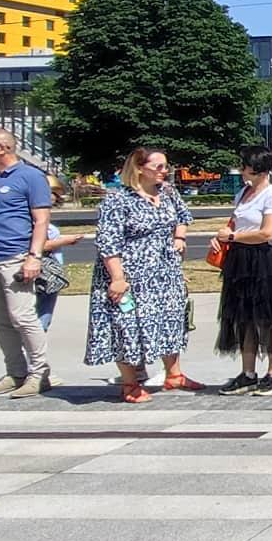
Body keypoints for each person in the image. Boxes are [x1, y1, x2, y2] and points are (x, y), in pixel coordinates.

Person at [85, 146, 202, 403]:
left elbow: (183, 216)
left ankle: (174, 374)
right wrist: (117, 278)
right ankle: (130, 384)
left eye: (165, 166)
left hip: (164, 272)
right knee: (128, 326)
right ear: (139, 169)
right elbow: (108, 242)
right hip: (131, 275)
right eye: (158, 167)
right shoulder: (118, 200)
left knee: (170, 321)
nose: (164, 171)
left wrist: (179, 236)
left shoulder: (168, 193)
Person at [0, 128, 55, 397]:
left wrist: (34, 256)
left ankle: (39, 372)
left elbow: (41, 220)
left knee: (23, 317)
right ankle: (15, 371)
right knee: (0, 321)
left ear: (3, 148)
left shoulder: (30, 177)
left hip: (15, 257)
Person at [213, 146, 272, 396]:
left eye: (245, 166)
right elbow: (234, 223)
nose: (242, 170)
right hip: (239, 259)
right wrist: (222, 239)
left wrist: (234, 235)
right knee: (242, 317)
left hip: (261, 260)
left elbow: (268, 232)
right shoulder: (243, 193)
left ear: (259, 169)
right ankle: (247, 373)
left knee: (269, 317)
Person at [35, 218, 84, 333]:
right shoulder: (33, 220)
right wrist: (65, 241)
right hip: (43, 273)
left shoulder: (41, 218)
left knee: (43, 315)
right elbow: (40, 246)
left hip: (51, 273)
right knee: (40, 319)